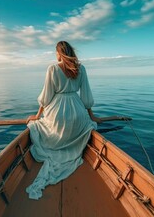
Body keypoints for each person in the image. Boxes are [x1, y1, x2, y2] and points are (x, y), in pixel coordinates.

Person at [25, 41, 101, 200]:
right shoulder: (81, 69)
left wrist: (38, 116)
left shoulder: (52, 68)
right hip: (78, 113)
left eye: (56, 52)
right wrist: (92, 117)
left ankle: (56, 143)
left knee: (38, 126)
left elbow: (46, 97)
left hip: (58, 112)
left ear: (59, 53)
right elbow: (86, 96)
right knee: (86, 125)